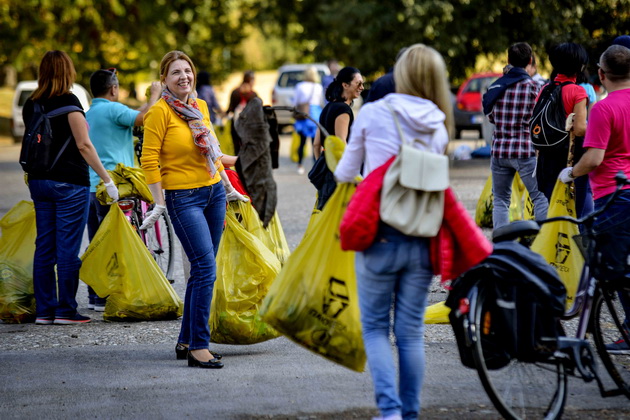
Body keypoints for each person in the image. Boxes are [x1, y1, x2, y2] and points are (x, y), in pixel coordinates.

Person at [334, 43, 452, 420]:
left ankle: (390, 413)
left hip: (379, 233)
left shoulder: (373, 112)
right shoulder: (437, 119)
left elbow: (344, 172)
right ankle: (411, 413)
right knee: (411, 332)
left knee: (374, 329)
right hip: (422, 234)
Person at [141, 50, 247, 369]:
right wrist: (159, 201)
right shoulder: (158, 113)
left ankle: (186, 339)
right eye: (176, 72)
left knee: (203, 269)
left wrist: (244, 163)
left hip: (213, 192)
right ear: (164, 79)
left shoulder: (199, 106)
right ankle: (200, 347)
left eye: (187, 71)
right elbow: (149, 160)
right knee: (205, 269)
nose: (184, 76)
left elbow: (212, 152)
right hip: (182, 198)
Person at [22, 50, 119, 325]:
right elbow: (84, 144)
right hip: (69, 184)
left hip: (39, 182)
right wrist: (107, 179)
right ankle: (65, 309)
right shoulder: (70, 101)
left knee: (44, 246)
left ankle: (44, 310)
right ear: (68, 72)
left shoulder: (32, 103)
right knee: (67, 248)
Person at [559, 44, 630, 353]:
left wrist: (571, 173)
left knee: (613, 270)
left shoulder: (604, 107)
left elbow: (595, 159)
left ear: (600, 74)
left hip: (614, 197)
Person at [85, 69, 161, 311]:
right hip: (116, 185)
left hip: (91, 186)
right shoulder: (113, 109)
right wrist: (155, 94)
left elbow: (134, 115)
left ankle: (97, 296)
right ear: (114, 89)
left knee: (97, 241)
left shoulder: (90, 112)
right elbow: (144, 118)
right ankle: (120, 293)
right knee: (120, 241)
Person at [482, 42, 548, 229]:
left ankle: (502, 244)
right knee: (539, 196)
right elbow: (539, 119)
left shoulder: (496, 87)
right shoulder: (534, 88)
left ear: (508, 60)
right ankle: (543, 239)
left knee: (501, 199)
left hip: (500, 151)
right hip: (525, 150)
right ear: (529, 61)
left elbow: (492, 117)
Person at [535, 42, 592, 218]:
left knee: (554, 209)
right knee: (575, 213)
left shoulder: (545, 89)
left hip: (546, 160)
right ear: (580, 66)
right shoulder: (578, 92)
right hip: (570, 159)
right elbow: (581, 129)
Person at [311, 66, 363, 209]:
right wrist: (352, 174)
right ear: (345, 85)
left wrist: (320, 166)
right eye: (358, 83)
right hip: (338, 174)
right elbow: (341, 145)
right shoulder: (343, 110)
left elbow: (316, 144)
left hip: (327, 169)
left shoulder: (327, 108)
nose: (362, 87)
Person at [293, 65, 324, 174]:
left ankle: (300, 165)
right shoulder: (318, 87)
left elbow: (295, 102)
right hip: (315, 116)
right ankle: (315, 165)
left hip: (303, 115)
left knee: (302, 143)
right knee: (315, 143)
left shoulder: (299, 86)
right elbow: (321, 102)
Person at [227, 70, 258, 155]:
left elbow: (230, 109)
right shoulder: (253, 94)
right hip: (249, 125)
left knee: (237, 148)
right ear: (251, 80)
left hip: (236, 124)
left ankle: (238, 166)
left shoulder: (235, 92)